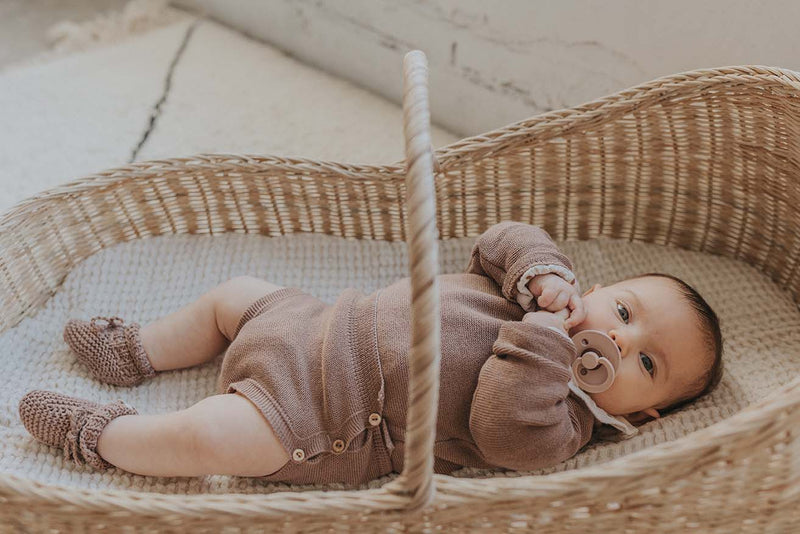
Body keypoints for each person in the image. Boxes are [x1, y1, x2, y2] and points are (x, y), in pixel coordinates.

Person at [18, 221, 724, 484]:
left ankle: (101, 435)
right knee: (234, 295)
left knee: (206, 436)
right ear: (595, 288)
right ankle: (138, 350)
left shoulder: (562, 427)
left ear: (647, 414)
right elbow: (499, 239)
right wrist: (542, 275)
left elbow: (502, 429)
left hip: (321, 418)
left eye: (646, 363)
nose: (619, 339)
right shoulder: (537, 288)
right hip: (315, 322)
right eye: (624, 312)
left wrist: (542, 339)